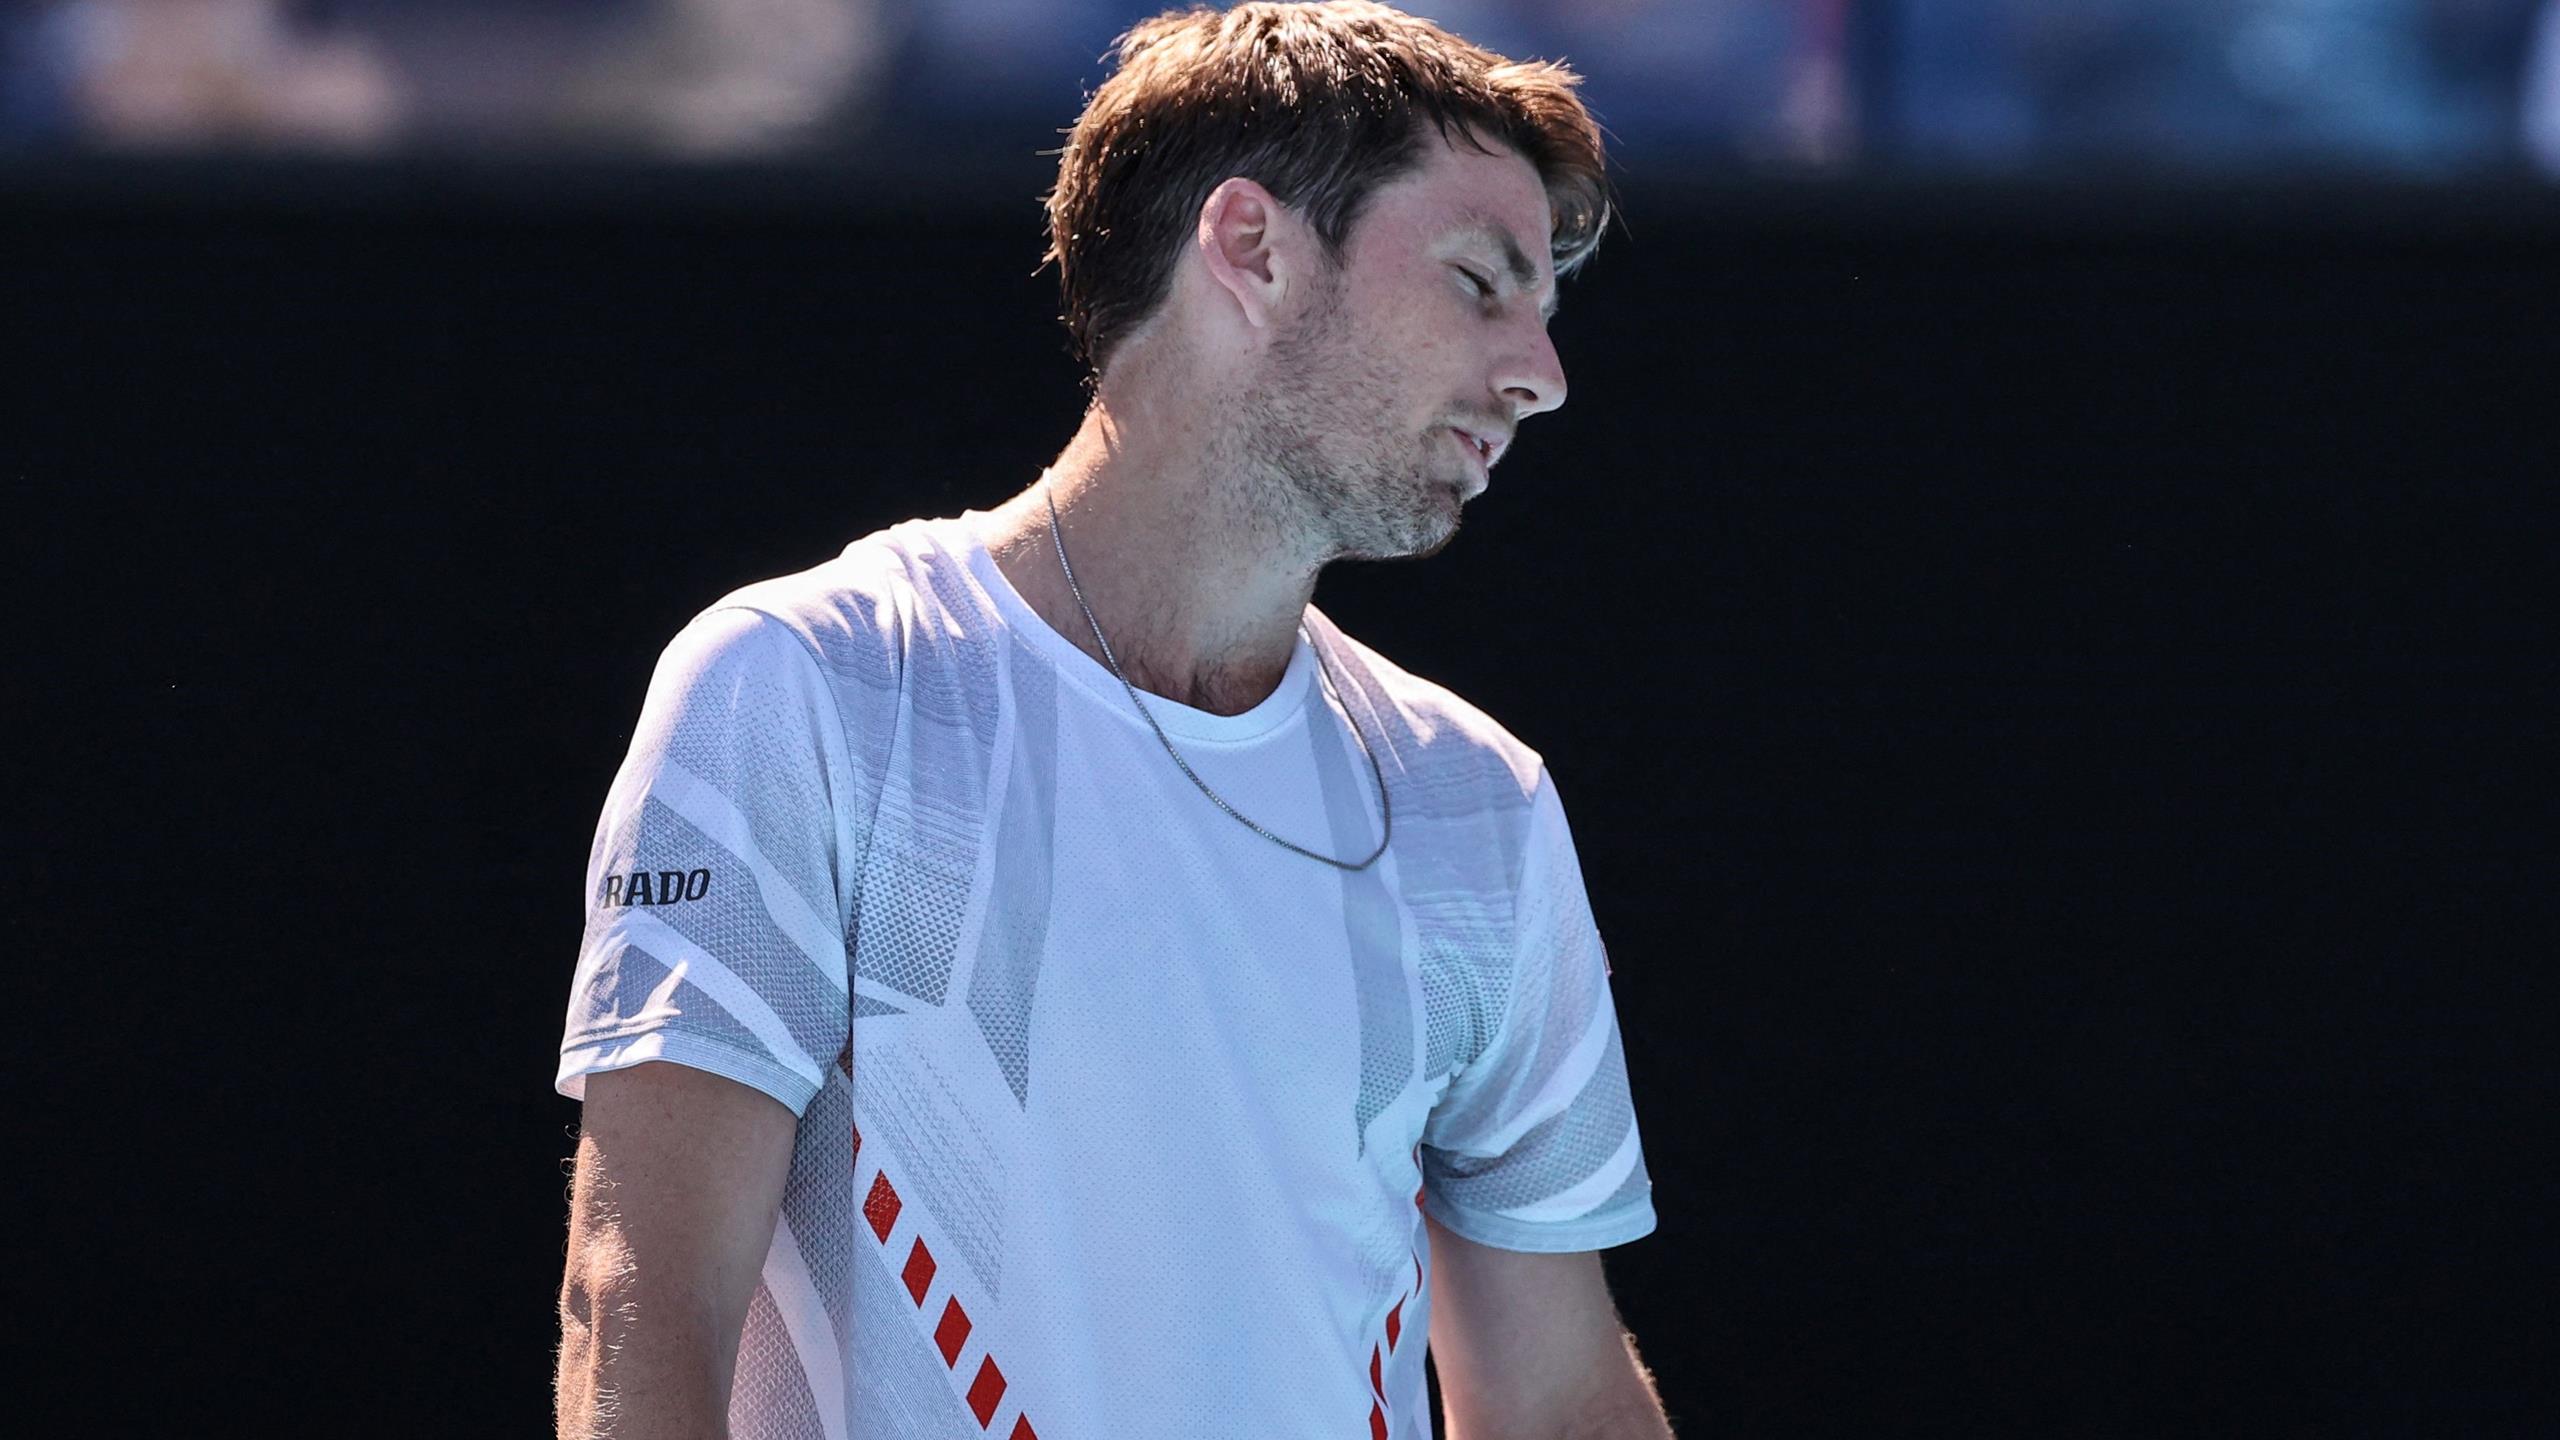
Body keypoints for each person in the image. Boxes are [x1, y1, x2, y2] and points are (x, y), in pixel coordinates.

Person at [551, 4, 1672, 1436]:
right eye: (1478, 282)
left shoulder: (1478, 806)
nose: (1542, 372)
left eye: (1545, 310)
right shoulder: (804, 688)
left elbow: (1559, 1395)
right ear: (1251, 248)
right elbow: (641, 1305)